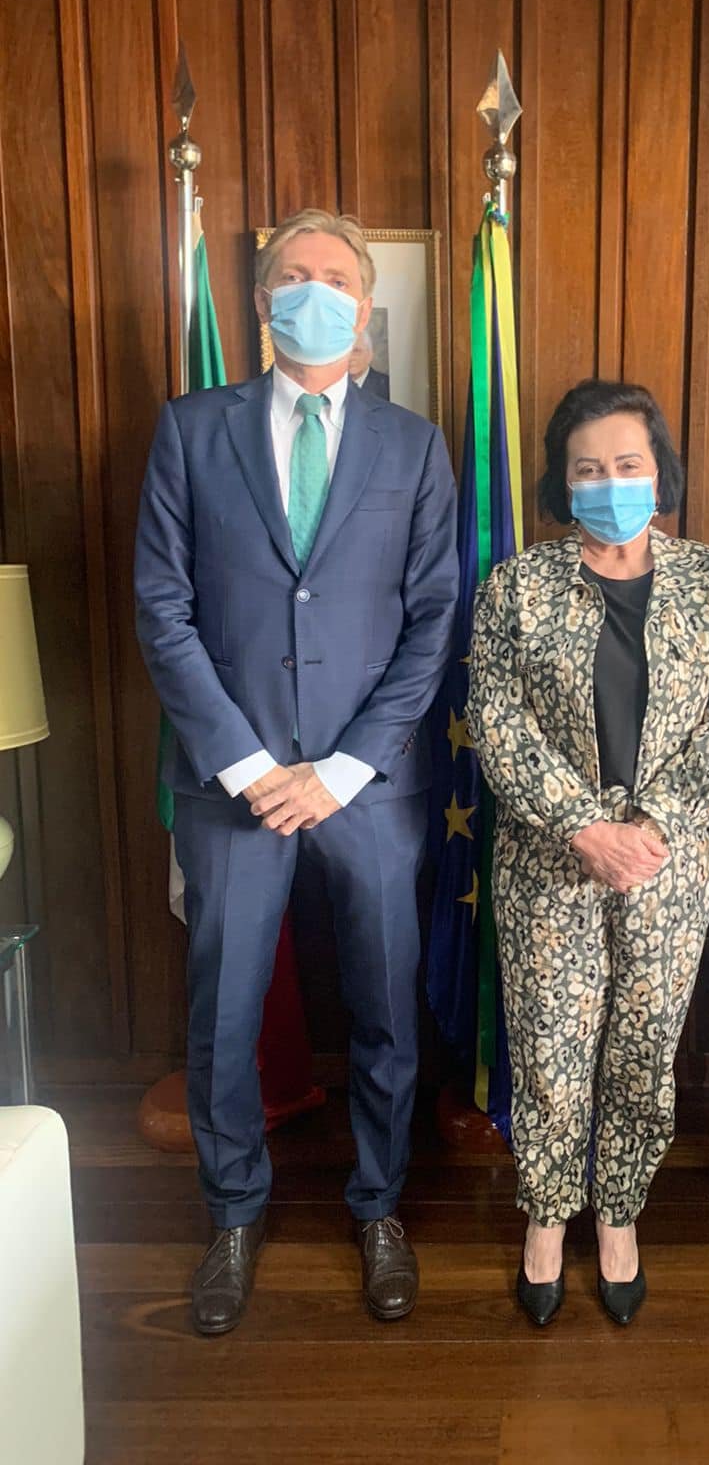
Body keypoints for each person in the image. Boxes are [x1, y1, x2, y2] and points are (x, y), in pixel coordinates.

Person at [135, 208, 457, 1335]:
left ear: (364, 309)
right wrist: (244, 762)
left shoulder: (415, 446)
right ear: (262, 299)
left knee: (385, 1004)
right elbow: (162, 608)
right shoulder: (191, 429)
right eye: (292, 274)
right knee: (222, 1009)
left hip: (370, 786)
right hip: (232, 784)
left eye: (335, 277)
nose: (313, 291)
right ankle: (233, 1211)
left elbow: (433, 621)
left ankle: (379, 1204)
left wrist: (346, 767)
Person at [468, 380, 709, 1327]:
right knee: (551, 1053)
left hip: (667, 869)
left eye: (627, 464)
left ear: (659, 472)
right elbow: (496, 719)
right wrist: (580, 825)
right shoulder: (516, 588)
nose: (609, 483)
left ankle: (620, 1213)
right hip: (549, 864)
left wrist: (659, 826)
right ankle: (547, 1216)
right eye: (588, 469)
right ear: (563, 483)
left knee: (643, 1049)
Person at [349, 326, 390, 404]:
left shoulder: (387, 386)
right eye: (346, 352)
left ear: (370, 355)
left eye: (356, 351)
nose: (350, 357)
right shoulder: (334, 385)